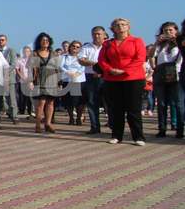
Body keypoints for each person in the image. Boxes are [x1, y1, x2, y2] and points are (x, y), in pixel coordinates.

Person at [98, 17, 146, 145]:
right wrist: (110, 69)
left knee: (133, 109)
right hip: (112, 78)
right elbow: (102, 60)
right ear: (112, 28)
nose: (120, 26)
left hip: (133, 78)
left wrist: (124, 71)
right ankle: (117, 135)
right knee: (115, 109)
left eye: (123, 24)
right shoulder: (107, 43)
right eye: (117, 25)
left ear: (128, 27)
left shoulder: (137, 41)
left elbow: (140, 58)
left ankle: (138, 137)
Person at [151, 21, 183, 138]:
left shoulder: (180, 42)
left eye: (170, 30)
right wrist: (156, 42)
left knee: (178, 103)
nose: (168, 32)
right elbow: (150, 55)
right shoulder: (160, 45)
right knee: (161, 103)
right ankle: (162, 129)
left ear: (176, 31)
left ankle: (179, 129)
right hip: (161, 74)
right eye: (165, 30)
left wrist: (176, 41)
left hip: (176, 74)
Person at [78, 26, 107, 134]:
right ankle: (95, 127)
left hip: (107, 76)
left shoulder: (108, 46)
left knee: (109, 102)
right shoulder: (86, 47)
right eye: (94, 34)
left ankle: (114, 126)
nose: (96, 36)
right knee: (92, 102)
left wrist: (101, 69)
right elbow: (81, 60)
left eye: (99, 34)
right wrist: (95, 64)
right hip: (90, 77)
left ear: (104, 35)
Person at [29, 32, 60, 133]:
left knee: (50, 103)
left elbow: (57, 68)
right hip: (40, 80)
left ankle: (48, 123)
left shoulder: (54, 53)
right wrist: (30, 81)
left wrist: (59, 82)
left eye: (47, 40)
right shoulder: (34, 53)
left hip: (52, 80)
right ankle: (38, 124)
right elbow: (30, 69)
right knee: (41, 103)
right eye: (43, 40)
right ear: (39, 42)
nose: (45, 42)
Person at [60, 40, 86, 125]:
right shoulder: (64, 56)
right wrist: (68, 72)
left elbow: (83, 67)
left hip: (79, 80)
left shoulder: (82, 57)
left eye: (77, 47)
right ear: (70, 47)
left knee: (79, 101)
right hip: (67, 80)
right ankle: (71, 118)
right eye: (73, 46)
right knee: (68, 101)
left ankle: (78, 118)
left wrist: (77, 74)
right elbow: (61, 66)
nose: (75, 48)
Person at [0, 34, 19, 124]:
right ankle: (7, 112)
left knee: (12, 98)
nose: (1, 42)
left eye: (3, 40)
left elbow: (13, 64)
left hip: (9, 78)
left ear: (6, 41)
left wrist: (5, 73)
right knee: (2, 98)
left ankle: (14, 116)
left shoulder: (11, 50)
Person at [15, 45, 34, 118]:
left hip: (30, 81)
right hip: (22, 80)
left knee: (30, 97)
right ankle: (22, 110)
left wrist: (31, 80)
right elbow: (17, 70)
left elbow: (34, 71)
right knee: (22, 97)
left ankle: (30, 111)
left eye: (28, 51)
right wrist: (22, 77)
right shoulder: (19, 60)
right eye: (25, 51)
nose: (26, 52)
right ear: (23, 52)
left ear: (30, 52)